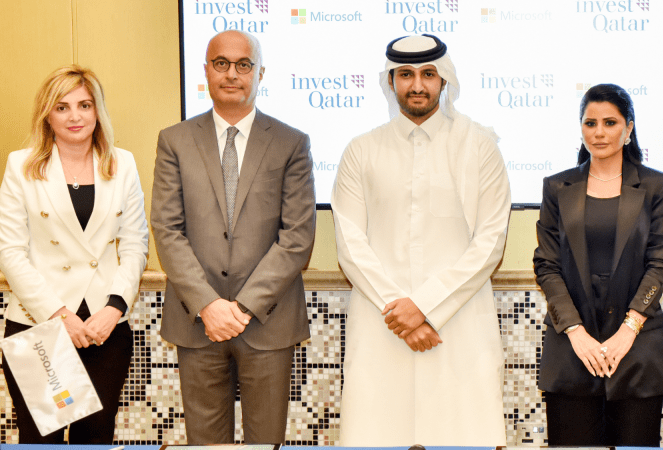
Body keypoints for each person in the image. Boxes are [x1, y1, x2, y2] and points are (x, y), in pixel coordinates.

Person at [331, 34, 511, 446]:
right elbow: (350, 244)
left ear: (444, 80)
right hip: (382, 326)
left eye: (428, 74)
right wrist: (401, 313)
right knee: (377, 436)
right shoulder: (361, 150)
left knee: (463, 438)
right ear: (390, 80)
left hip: (458, 327)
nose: (417, 85)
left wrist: (426, 307)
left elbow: (490, 242)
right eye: (406, 75)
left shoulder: (480, 148)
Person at [151, 30, 315, 444]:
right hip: (197, 321)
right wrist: (209, 305)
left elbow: (297, 237)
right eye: (221, 63)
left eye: (244, 65)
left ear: (261, 73)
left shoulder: (291, 143)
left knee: (266, 443)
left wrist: (241, 308)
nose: (232, 74)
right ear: (206, 70)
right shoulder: (174, 140)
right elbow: (167, 229)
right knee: (205, 446)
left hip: (268, 320)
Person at [0, 65, 149, 443]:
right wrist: (59, 315)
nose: (75, 116)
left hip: (103, 327)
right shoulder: (21, 165)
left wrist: (114, 308)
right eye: (62, 107)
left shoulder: (123, 163)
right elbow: (10, 251)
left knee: (94, 438)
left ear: (98, 111)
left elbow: (135, 244)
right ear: (47, 115)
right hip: (40, 324)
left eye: (84, 105)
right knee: (42, 441)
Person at [533, 84, 663, 446]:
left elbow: (660, 262)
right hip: (571, 351)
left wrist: (629, 329)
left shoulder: (656, 185)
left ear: (628, 129)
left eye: (610, 123)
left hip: (637, 349)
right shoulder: (557, 187)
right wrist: (576, 332)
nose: (599, 132)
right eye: (590, 123)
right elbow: (547, 265)